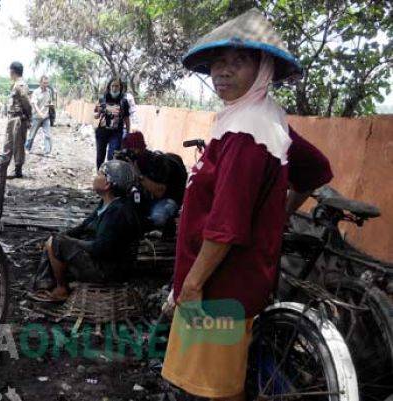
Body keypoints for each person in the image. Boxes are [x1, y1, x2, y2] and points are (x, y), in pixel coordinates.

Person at [160, 9, 333, 401]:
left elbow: (225, 225)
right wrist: (276, 215)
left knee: (210, 391)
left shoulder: (247, 132)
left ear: (263, 68)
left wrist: (192, 283)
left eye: (238, 61)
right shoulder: (265, 119)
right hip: (237, 282)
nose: (222, 70)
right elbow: (316, 168)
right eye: (217, 62)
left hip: (218, 289)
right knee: (223, 382)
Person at [30, 160, 142, 302]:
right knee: (54, 240)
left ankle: (61, 289)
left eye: (100, 173)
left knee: (57, 243)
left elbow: (100, 248)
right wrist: (63, 237)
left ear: (107, 184)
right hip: (100, 261)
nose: (96, 176)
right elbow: (83, 227)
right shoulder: (106, 204)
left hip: (107, 271)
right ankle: (44, 285)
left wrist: (69, 243)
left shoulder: (117, 212)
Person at [118, 131, 187, 233]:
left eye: (129, 150)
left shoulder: (158, 162)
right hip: (148, 199)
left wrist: (139, 176)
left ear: (137, 149)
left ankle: (166, 223)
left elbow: (159, 192)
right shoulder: (136, 161)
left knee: (157, 217)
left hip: (167, 199)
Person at [94, 77, 130, 169]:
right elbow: (95, 116)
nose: (114, 88)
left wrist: (128, 133)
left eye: (117, 86)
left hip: (116, 133)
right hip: (102, 132)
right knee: (100, 156)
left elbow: (126, 118)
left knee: (112, 156)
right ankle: (99, 175)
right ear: (109, 87)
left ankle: (109, 177)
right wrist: (99, 112)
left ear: (120, 88)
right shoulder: (102, 99)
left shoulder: (124, 101)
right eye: (113, 86)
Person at [4, 61, 32, 178]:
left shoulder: (20, 84)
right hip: (13, 117)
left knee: (18, 144)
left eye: (10, 71)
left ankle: (17, 170)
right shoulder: (16, 84)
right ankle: (3, 168)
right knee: (8, 144)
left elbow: (26, 102)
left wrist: (28, 116)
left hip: (18, 118)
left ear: (12, 71)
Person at [25, 75, 53, 155]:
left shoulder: (49, 91)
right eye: (44, 83)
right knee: (32, 134)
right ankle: (27, 148)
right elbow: (34, 103)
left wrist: (50, 105)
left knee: (48, 134)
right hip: (36, 116)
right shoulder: (36, 92)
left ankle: (47, 152)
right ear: (40, 83)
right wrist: (40, 113)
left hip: (46, 116)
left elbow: (48, 102)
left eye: (47, 83)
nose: (45, 84)